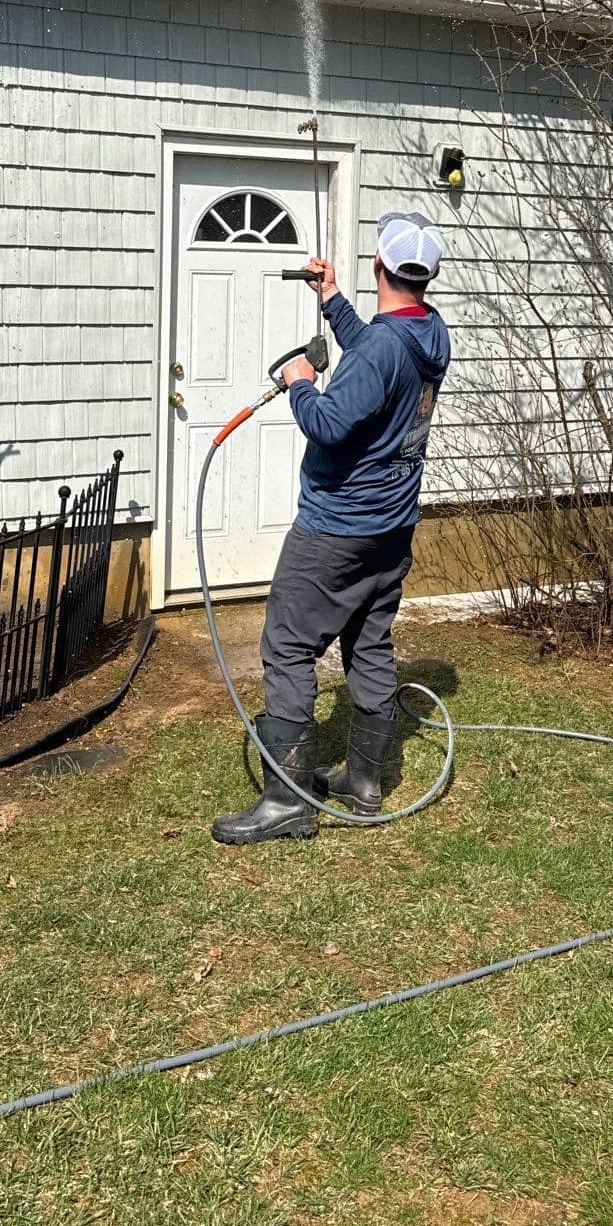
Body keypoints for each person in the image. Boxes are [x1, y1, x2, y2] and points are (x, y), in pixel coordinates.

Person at [211, 212, 451, 845]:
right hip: (391, 529)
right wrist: (331, 300)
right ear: (426, 276)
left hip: (335, 531)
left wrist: (300, 385)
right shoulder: (430, 332)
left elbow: (331, 423)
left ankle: (286, 802)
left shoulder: (380, 349)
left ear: (381, 265)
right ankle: (365, 783)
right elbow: (378, 352)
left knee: (288, 647)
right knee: (368, 645)